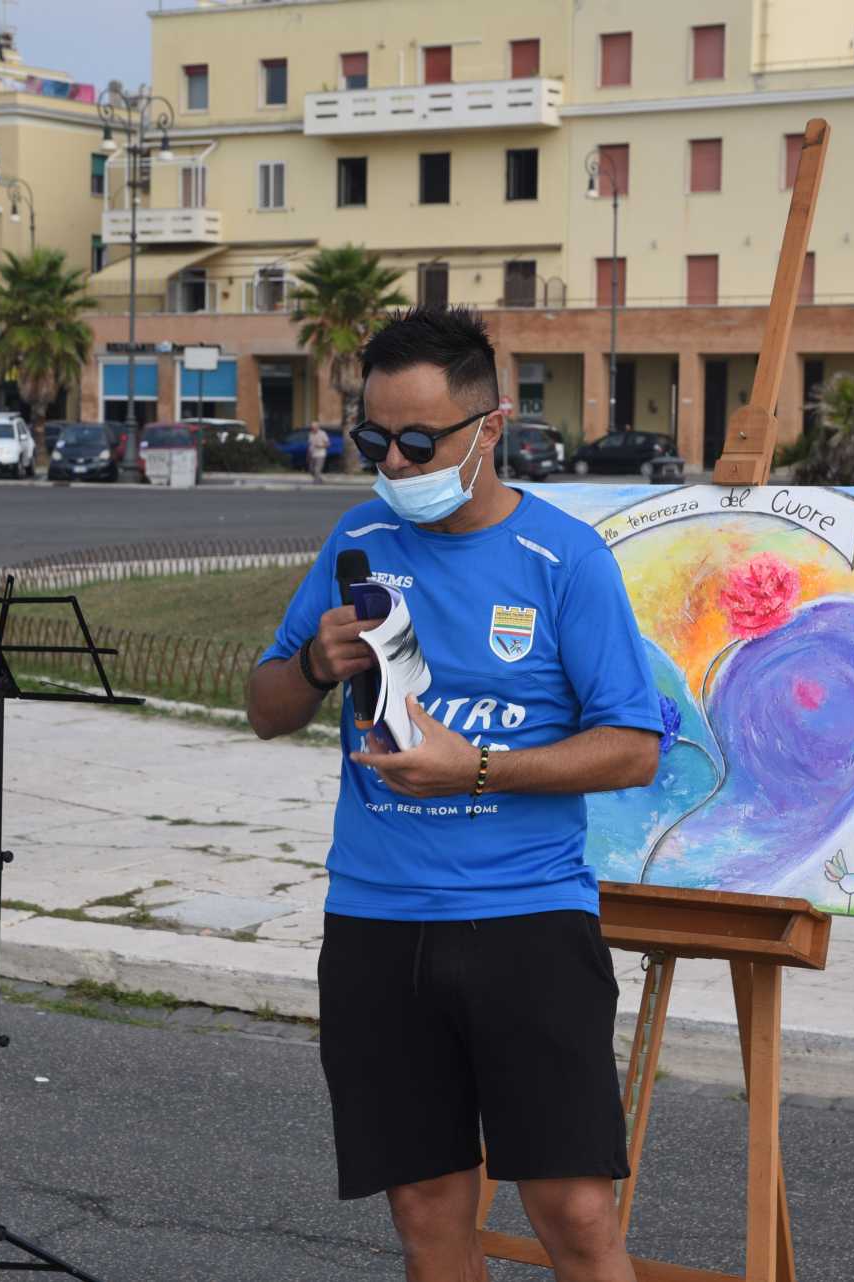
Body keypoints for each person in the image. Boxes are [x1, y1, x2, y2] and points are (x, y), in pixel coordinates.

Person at [246, 306, 661, 1282]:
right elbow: (266, 708)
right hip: (376, 922)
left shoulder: (567, 560)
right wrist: (312, 660)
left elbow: (634, 747)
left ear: (491, 427)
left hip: (527, 920)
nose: (394, 464)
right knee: (427, 1210)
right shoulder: (358, 537)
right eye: (374, 440)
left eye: (420, 441)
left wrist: (472, 767)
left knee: (576, 1212)